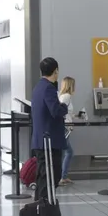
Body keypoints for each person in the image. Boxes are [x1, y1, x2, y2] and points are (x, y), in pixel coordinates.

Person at [30, 58, 68, 201]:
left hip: (40, 140)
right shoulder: (49, 88)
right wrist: (64, 106)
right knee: (51, 177)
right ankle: (45, 208)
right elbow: (56, 111)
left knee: (43, 177)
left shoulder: (38, 87)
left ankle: (39, 208)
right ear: (56, 70)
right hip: (49, 141)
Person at [58, 76, 76, 185]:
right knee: (68, 152)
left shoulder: (62, 96)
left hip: (65, 126)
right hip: (65, 127)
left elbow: (66, 112)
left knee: (66, 151)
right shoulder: (66, 97)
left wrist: (75, 115)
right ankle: (62, 177)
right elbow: (61, 112)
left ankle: (62, 176)